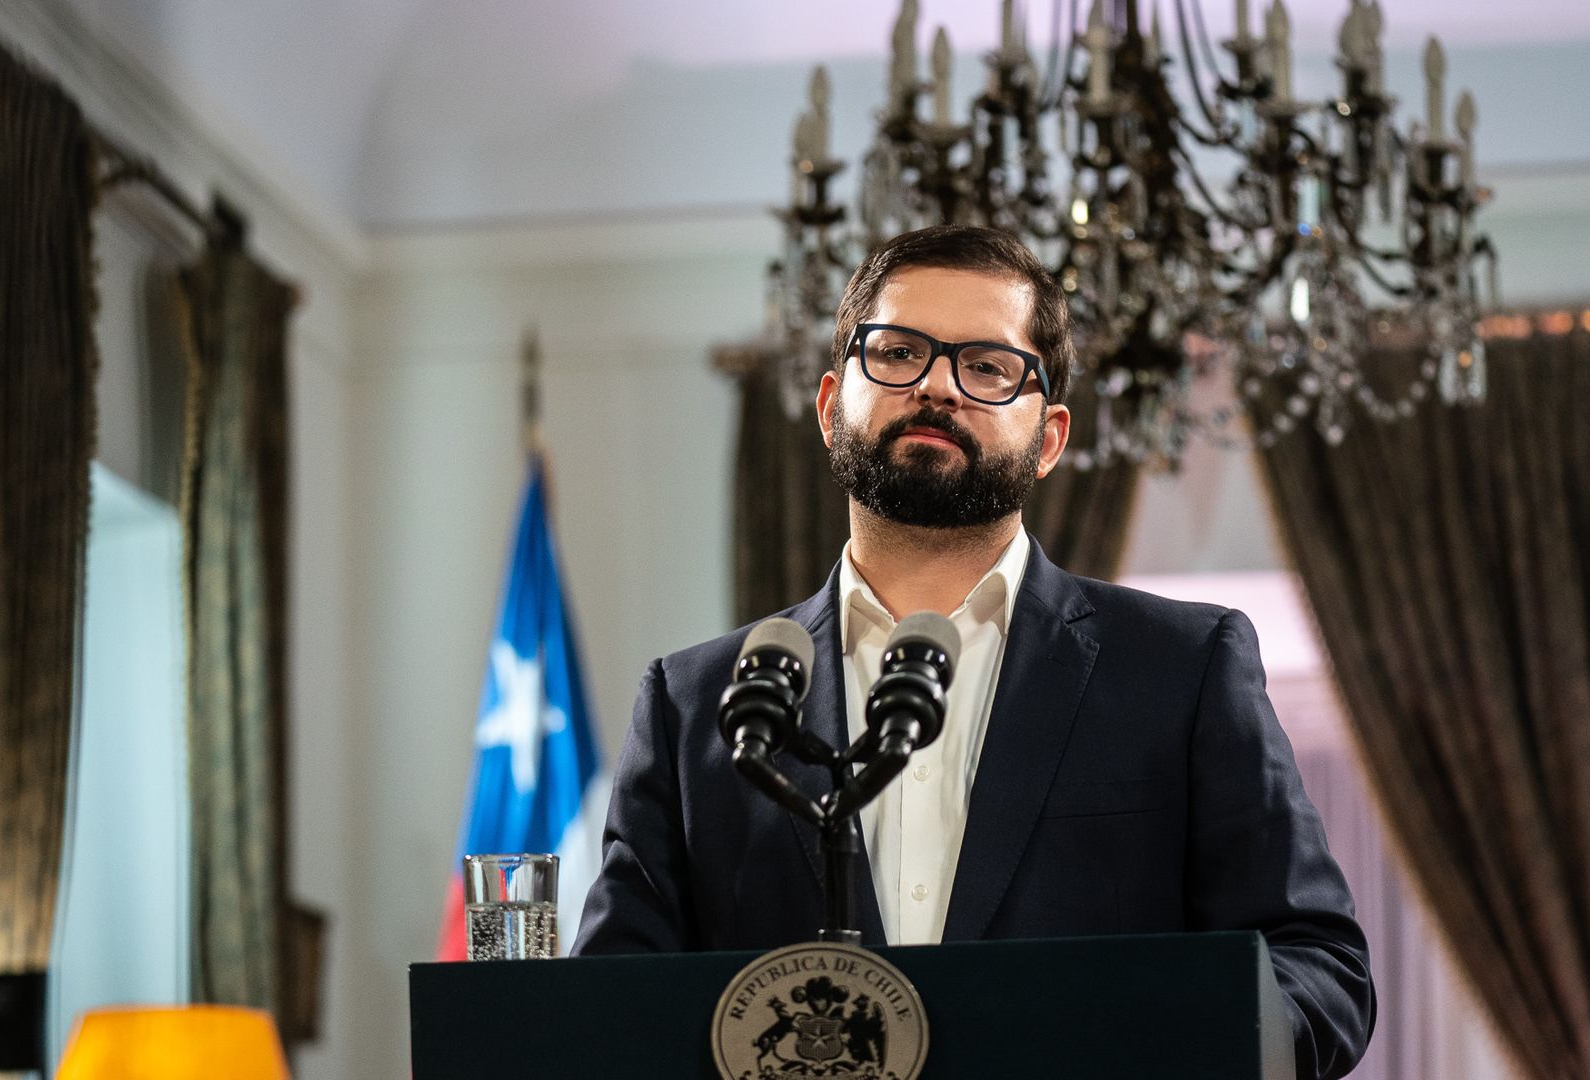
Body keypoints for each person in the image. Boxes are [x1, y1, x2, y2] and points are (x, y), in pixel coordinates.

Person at [573, 224, 1374, 1079]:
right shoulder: (694, 701)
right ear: (828, 405)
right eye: (899, 352)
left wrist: (1169, 1044)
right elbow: (617, 1002)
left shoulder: (1185, 668)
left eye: (989, 367)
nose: (937, 388)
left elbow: (1319, 969)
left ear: (1052, 437)